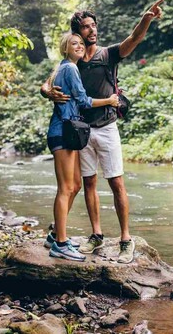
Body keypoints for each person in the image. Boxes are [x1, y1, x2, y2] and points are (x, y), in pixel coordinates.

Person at [41, 0, 164, 264]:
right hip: (80, 131)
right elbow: (49, 80)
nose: (92, 31)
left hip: (107, 127)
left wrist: (146, 19)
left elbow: (133, 39)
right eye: (86, 28)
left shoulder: (108, 54)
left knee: (117, 182)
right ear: (77, 34)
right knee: (88, 183)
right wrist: (46, 91)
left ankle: (125, 239)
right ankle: (96, 235)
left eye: (94, 25)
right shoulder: (73, 59)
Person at [45, 32, 119, 262]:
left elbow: (51, 87)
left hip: (68, 132)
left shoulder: (62, 67)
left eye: (80, 43)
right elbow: (83, 100)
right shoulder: (69, 68)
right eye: (73, 44)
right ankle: (60, 244)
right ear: (65, 49)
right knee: (66, 188)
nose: (78, 46)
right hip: (63, 131)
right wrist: (109, 100)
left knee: (76, 185)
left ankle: (57, 233)